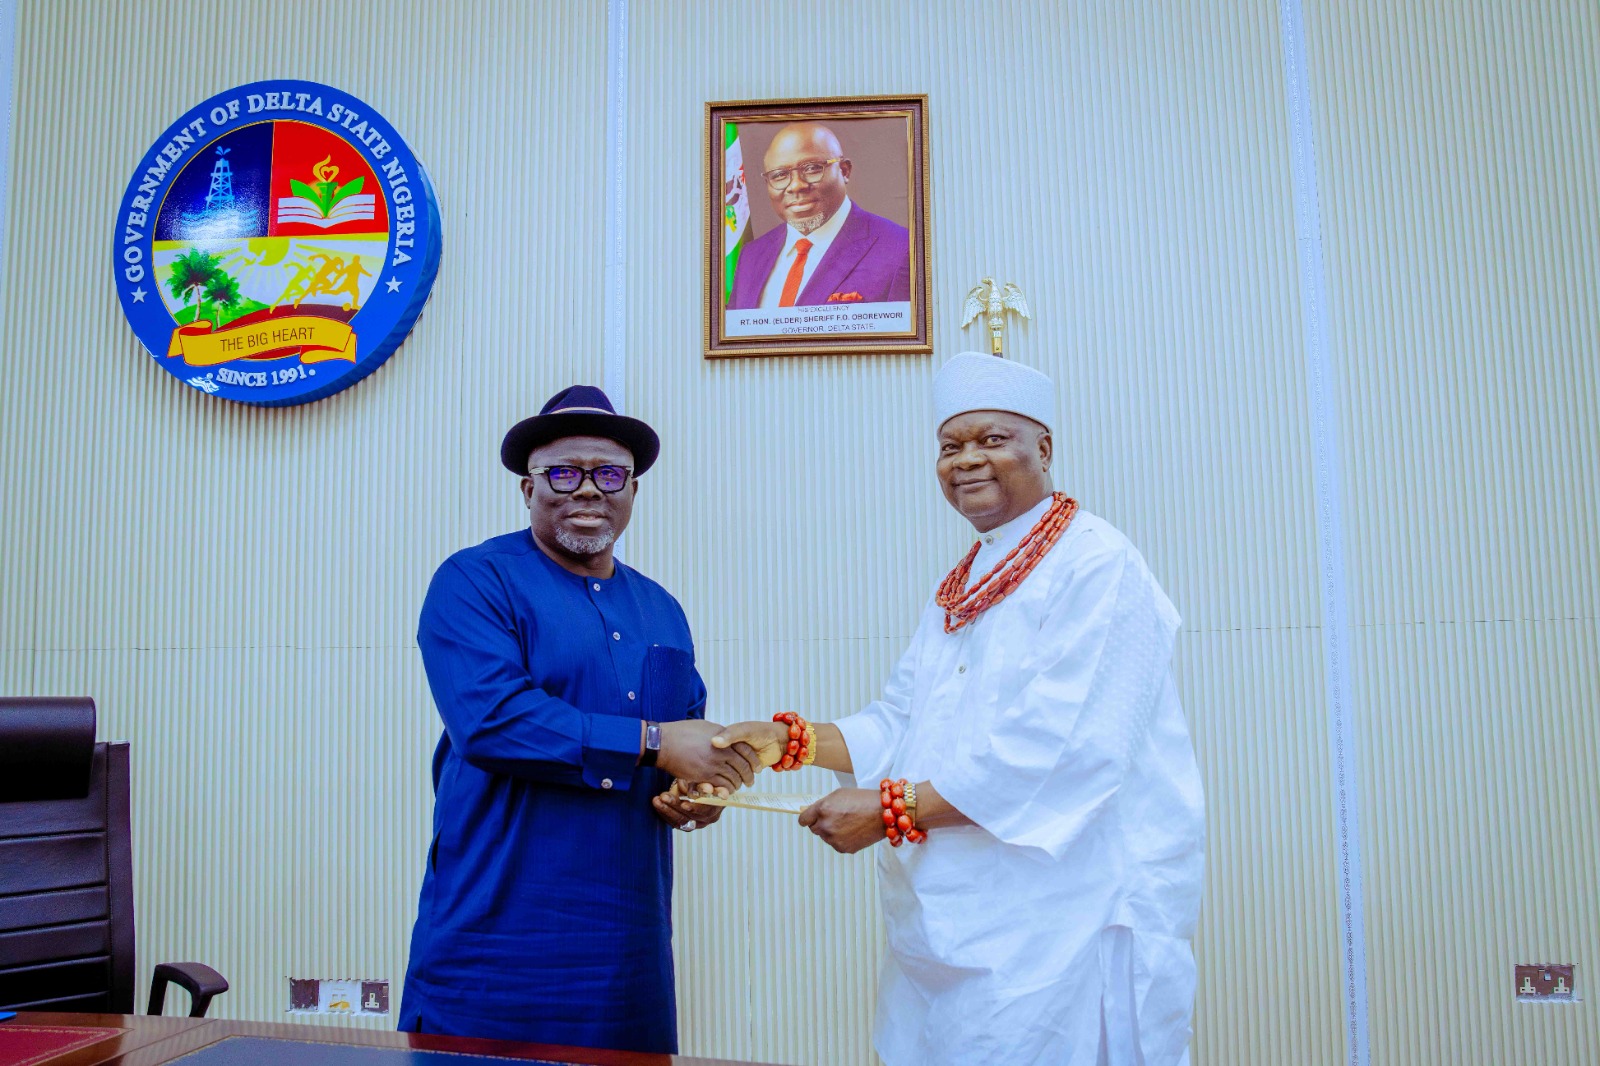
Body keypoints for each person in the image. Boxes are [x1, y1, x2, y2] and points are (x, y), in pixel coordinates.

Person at [707, 353, 1206, 1065]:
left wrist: (891, 812)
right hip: (952, 921)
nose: (967, 460)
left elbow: (1066, 753)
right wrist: (786, 742)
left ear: (1045, 449)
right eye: (951, 446)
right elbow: (901, 721)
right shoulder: (967, 580)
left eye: (993, 439)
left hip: (1062, 915)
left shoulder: (1099, 564)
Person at [398, 385, 760, 1053]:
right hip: (496, 943)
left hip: (628, 952)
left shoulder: (662, 609)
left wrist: (700, 793)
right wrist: (656, 743)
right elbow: (493, 721)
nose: (588, 490)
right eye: (563, 472)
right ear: (527, 488)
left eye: (611, 473)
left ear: (633, 490)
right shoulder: (476, 581)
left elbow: (685, 735)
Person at [727, 122, 912, 309]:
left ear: (844, 171)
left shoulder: (900, 249)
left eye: (812, 168)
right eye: (780, 175)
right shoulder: (750, 256)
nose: (796, 185)